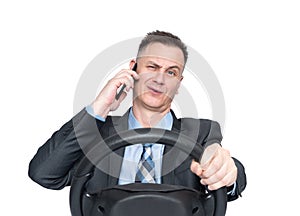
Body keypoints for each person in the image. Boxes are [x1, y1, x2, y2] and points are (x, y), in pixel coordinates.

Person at [29, 31, 246, 205]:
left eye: (171, 72)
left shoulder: (201, 132)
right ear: (133, 68)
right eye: (152, 67)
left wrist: (228, 170)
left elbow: (225, 167)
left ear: (179, 83)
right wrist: (99, 108)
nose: (160, 79)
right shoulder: (98, 133)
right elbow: (43, 173)